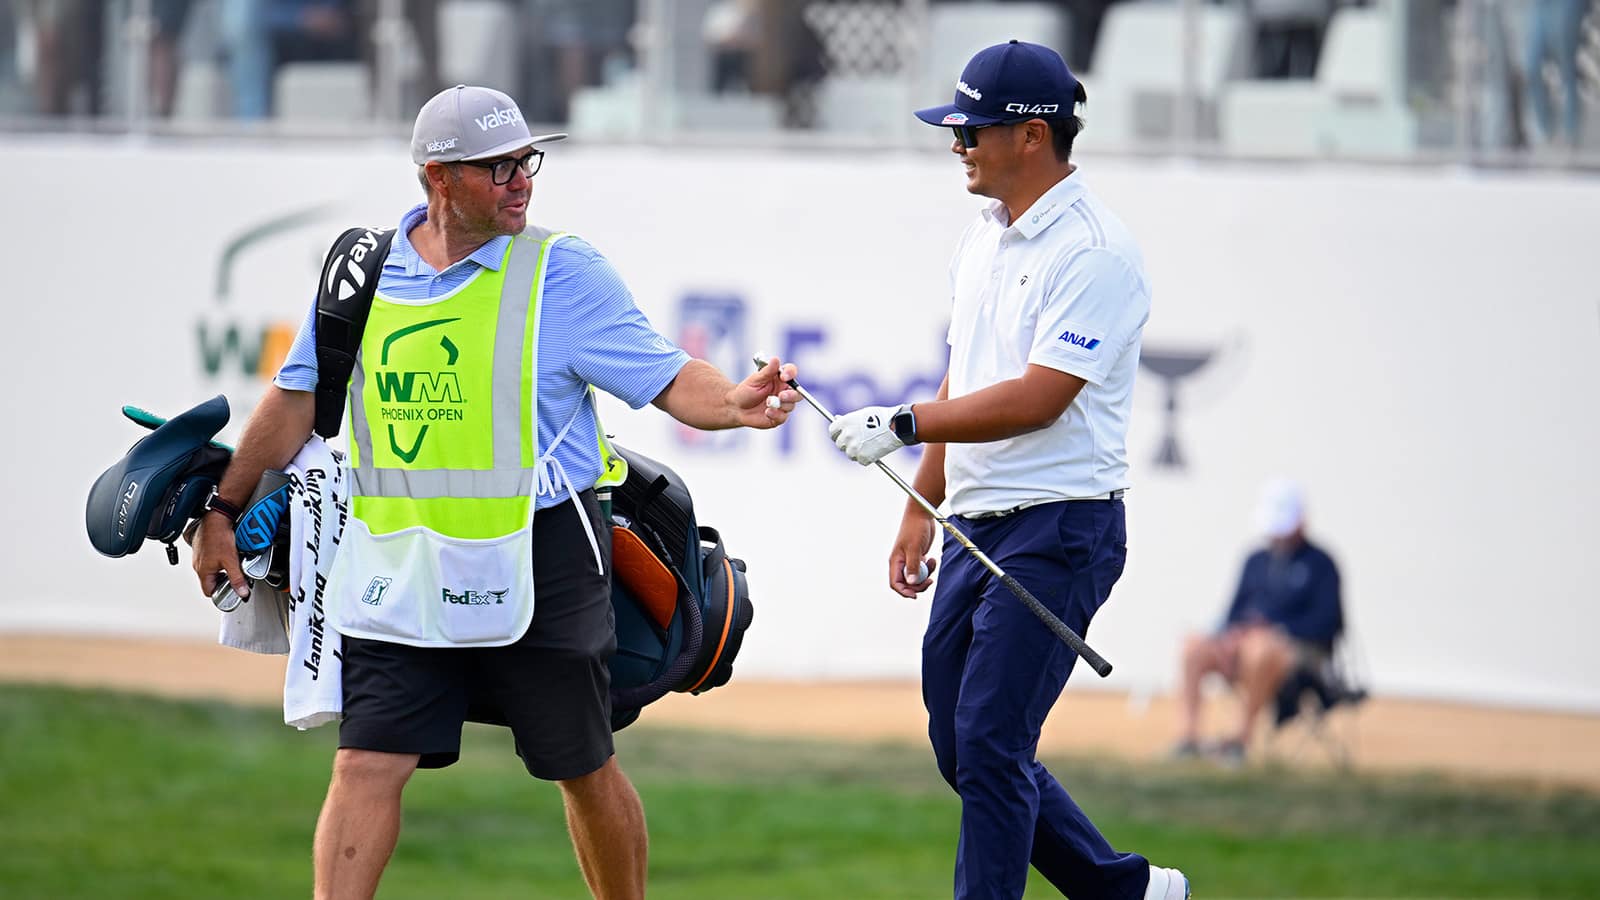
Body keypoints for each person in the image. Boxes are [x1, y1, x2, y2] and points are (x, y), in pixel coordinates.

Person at [190, 83, 800, 900]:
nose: (523, 181)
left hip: (542, 559)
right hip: (397, 569)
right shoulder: (361, 272)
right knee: (366, 761)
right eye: (499, 167)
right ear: (440, 177)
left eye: (527, 161)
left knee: (582, 767)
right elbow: (296, 400)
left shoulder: (563, 270)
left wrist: (732, 402)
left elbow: (666, 376)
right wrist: (222, 510)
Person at [826, 40, 1188, 900]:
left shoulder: (1095, 251)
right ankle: (1124, 893)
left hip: (1061, 527)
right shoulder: (983, 241)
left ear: (1031, 136)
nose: (958, 145)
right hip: (977, 526)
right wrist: (922, 501)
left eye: (973, 130)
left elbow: (1038, 398)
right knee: (963, 745)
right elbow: (971, 377)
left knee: (990, 741)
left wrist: (904, 422)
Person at [1172, 479, 1343, 765]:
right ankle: (1188, 739)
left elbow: (1328, 623)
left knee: (1260, 649)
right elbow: (1233, 613)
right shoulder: (1255, 560)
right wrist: (1230, 637)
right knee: (1194, 647)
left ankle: (1239, 741)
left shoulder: (1321, 563)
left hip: (1300, 654)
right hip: (1245, 647)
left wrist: (1277, 633)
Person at [1523, 0, 1589, 149]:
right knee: (1531, 65)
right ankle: (1546, 130)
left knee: (1567, 66)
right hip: (1541, 5)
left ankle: (1570, 133)